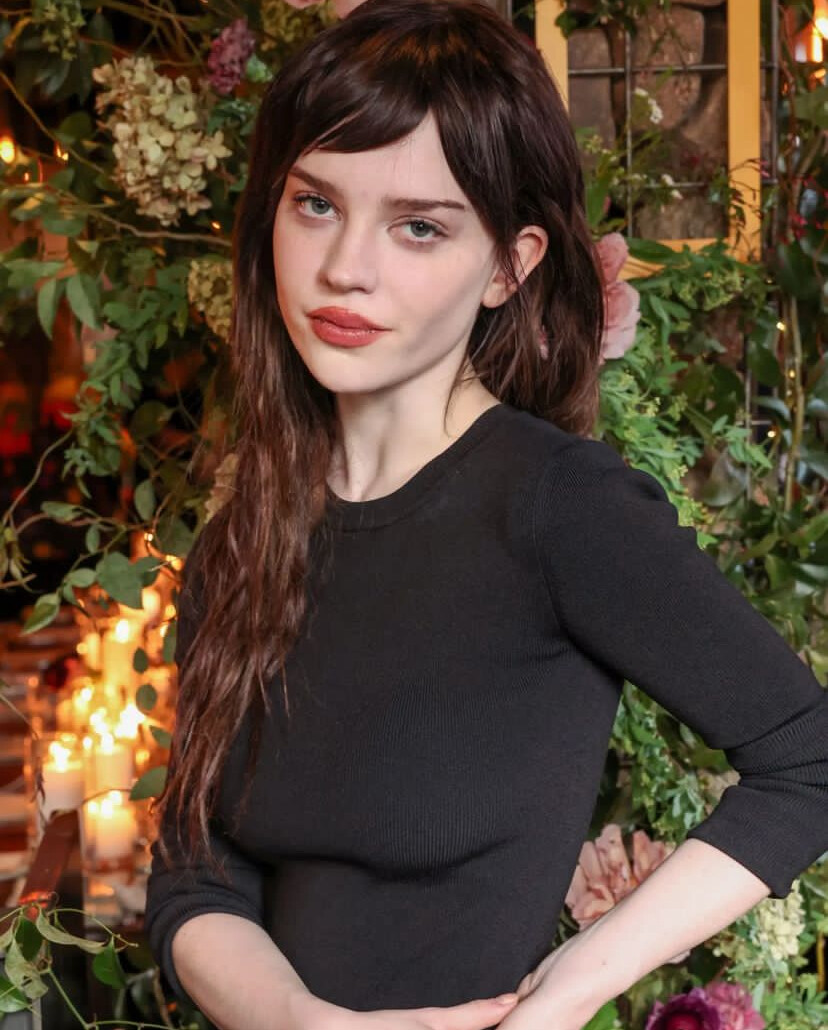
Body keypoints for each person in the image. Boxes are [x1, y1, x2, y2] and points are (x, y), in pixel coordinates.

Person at [144, 1, 828, 1028]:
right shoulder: (241, 540)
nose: (345, 268)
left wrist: (569, 989)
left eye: (418, 226)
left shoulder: (559, 507)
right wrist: (301, 1021)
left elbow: (809, 758)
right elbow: (194, 871)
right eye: (316, 204)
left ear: (509, 264)